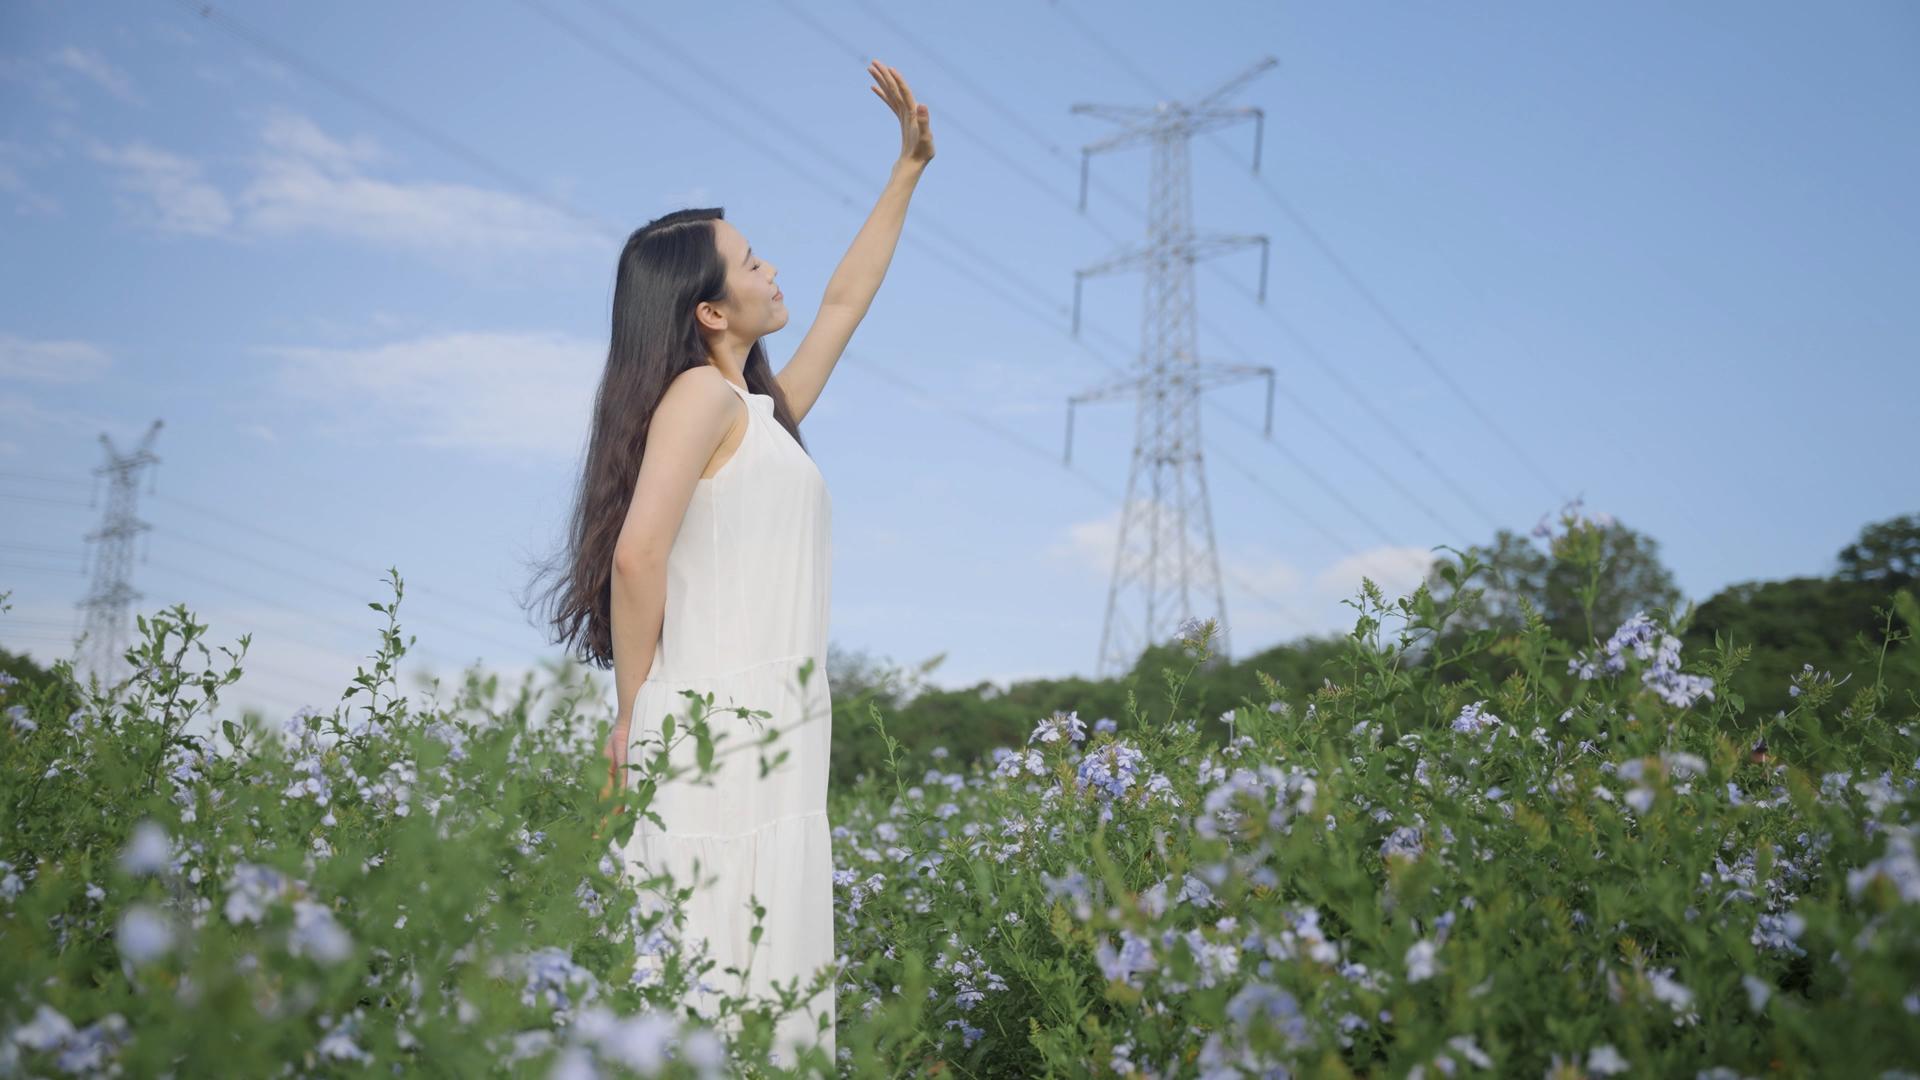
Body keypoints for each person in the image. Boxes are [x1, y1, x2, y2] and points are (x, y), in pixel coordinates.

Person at [526, 60, 933, 1068]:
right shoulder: (699, 400)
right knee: (712, 988)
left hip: (771, 730)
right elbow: (637, 557)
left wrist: (907, 170)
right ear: (709, 310)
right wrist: (633, 719)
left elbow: (844, 303)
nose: (771, 268)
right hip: (712, 729)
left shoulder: (759, 412)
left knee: (758, 989)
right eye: (750, 262)